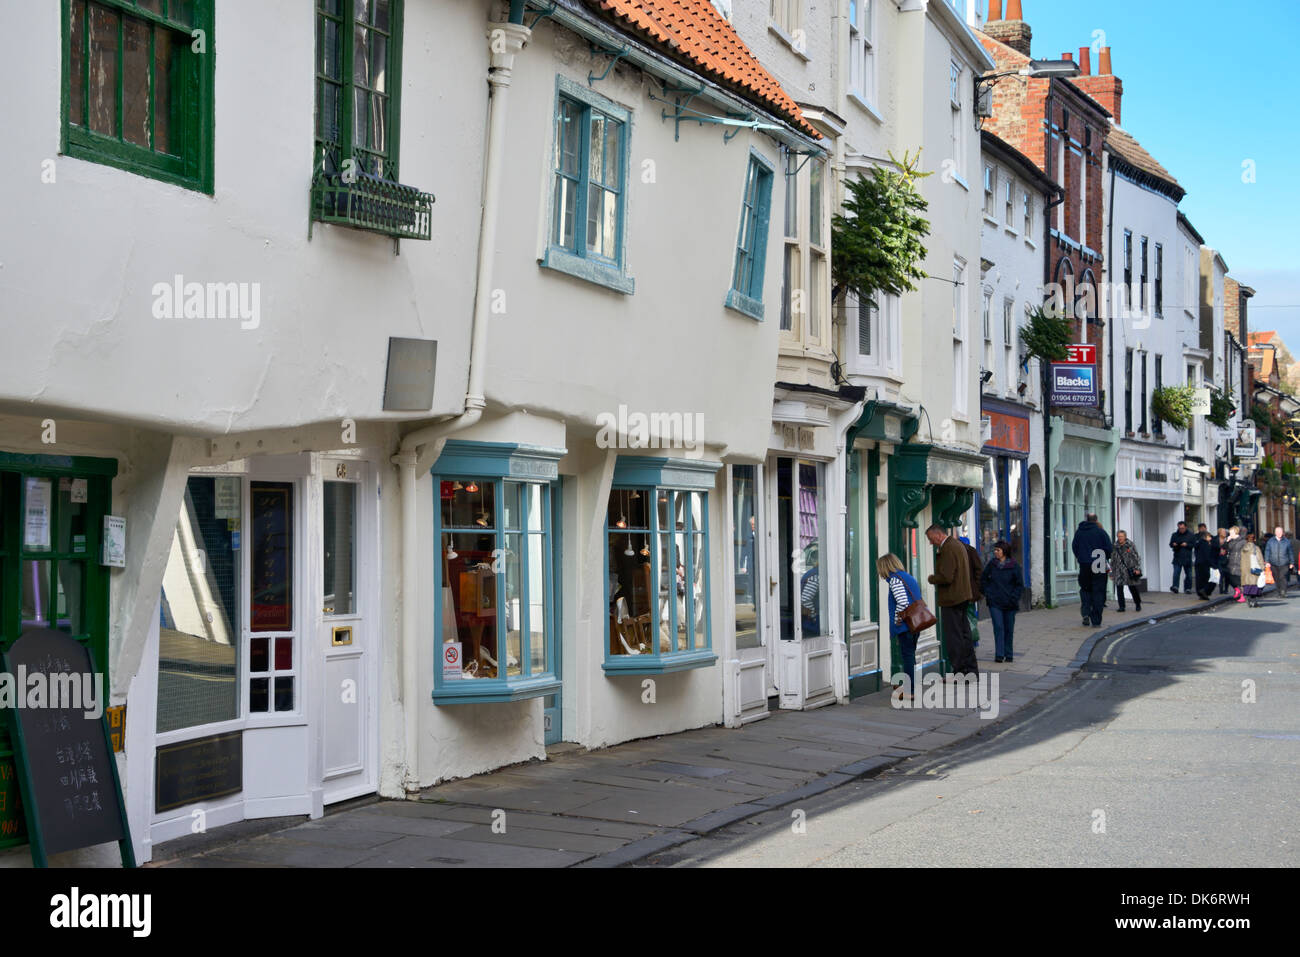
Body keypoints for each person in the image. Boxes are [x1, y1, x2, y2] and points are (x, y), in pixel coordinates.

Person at [925, 524, 979, 675]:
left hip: (952, 598)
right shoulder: (957, 545)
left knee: (954, 637)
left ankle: (960, 672)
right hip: (962, 596)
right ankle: (971, 671)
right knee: (964, 635)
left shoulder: (947, 548)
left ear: (938, 535)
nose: (931, 542)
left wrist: (932, 578)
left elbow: (947, 577)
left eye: (931, 539)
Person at [880, 553, 924, 698]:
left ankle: (909, 691)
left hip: (906, 625)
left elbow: (902, 602)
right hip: (915, 623)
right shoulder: (907, 576)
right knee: (910, 655)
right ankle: (908, 686)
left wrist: (898, 619)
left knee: (907, 656)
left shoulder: (895, 580)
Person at [980, 541, 1023, 663]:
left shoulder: (1014, 566)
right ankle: (999, 654)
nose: (995, 552)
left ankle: (1008, 654)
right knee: (998, 627)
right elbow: (983, 579)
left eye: (998, 550)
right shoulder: (992, 565)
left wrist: (1014, 597)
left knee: (1009, 628)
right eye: (995, 550)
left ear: (1004, 551)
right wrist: (988, 593)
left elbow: (1019, 585)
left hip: (1010, 602)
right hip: (995, 602)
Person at [1071, 512, 1113, 627]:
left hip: (1084, 564)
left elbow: (1074, 547)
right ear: (1096, 520)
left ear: (1087, 519)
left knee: (1085, 589)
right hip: (1098, 563)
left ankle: (1085, 612)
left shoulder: (1079, 532)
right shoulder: (1101, 532)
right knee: (1098, 591)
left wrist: (1081, 557)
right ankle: (1096, 619)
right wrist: (1105, 556)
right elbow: (1109, 548)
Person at [1110, 530, 1143, 612]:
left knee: (1133, 588)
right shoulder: (1115, 546)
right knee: (1119, 588)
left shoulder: (1130, 545)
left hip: (1129, 570)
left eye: (1121, 536)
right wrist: (1111, 572)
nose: (1120, 538)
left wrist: (1137, 569)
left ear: (1125, 537)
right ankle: (1122, 606)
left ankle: (1138, 603)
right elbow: (1113, 560)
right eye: (1119, 536)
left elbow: (1136, 557)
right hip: (1118, 570)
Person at [960, 536, 983, 648]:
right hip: (969, 592)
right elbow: (979, 571)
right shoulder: (971, 551)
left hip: (968, 593)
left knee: (968, 616)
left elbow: (979, 572)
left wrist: (976, 588)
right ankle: (972, 640)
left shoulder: (969, 552)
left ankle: (971, 640)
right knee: (970, 616)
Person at [1264, 526, 1295, 599]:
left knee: (1282, 577)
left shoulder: (1287, 541)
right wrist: (1267, 561)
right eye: (1277, 532)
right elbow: (1267, 551)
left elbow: (1290, 552)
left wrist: (1291, 563)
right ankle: (1279, 591)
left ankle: (1283, 591)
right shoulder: (1270, 541)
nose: (1279, 533)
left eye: (1280, 532)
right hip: (1273, 563)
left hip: (1284, 563)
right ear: (1275, 533)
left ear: (1283, 532)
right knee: (1276, 578)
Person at [1168, 521, 1196, 594]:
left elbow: (1194, 545)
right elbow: (1170, 544)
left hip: (1187, 557)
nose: (1181, 530)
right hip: (1177, 557)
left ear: (1186, 527)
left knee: (1189, 575)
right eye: (1180, 528)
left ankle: (1188, 588)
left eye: (1182, 528)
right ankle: (1175, 587)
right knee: (1176, 573)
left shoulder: (1191, 535)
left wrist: (1186, 545)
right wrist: (1173, 544)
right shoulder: (1174, 535)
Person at [1240, 531, 1266, 608]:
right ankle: (1254, 602)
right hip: (1254, 571)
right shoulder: (1256, 548)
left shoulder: (1243, 549)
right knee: (1255, 587)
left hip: (1245, 571)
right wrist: (1262, 568)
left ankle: (1248, 598)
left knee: (1247, 586)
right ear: (1254, 540)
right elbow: (1259, 559)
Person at [1193, 530, 1216, 600]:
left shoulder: (1198, 544)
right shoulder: (1206, 544)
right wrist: (1213, 565)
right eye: (1209, 537)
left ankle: (1201, 593)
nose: (1211, 538)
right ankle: (1205, 592)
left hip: (1198, 563)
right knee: (1209, 579)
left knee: (1199, 580)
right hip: (1205, 564)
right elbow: (1207, 556)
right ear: (1205, 537)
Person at [1225, 526, 1245, 602]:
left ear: (1236, 532)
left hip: (1239, 562)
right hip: (1231, 561)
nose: (1230, 534)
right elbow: (1225, 548)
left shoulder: (1242, 541)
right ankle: (1237, 590)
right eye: (1229, 533)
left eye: (1231, 533)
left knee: (1239, 580)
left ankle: (1242, 596)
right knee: (1230, 578)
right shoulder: (1230, 540)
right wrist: (1227, 541)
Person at [1215, 528, 1231, 594]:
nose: (1225, 533)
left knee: (1227, 575)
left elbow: (1230, 548)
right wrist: (1219, 551)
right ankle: (1221, 589)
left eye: (1225, 532)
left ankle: (1226, 589)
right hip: (1219, 559)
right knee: (1220, 574)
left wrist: (1226, 551)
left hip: (1227, 559)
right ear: (1219, 533)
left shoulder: (1227, 540)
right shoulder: (1216, 540)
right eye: (1223, 532)